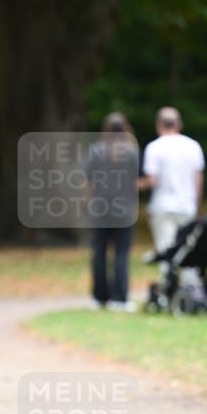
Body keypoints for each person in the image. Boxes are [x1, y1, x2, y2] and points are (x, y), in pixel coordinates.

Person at [86, 112, 139, 312]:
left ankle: (99, 297)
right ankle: (119, 298)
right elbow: (136, 181)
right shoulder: (131, 151)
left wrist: (91, 202)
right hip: (124, 210)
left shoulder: (95, 150)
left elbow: (87, 181)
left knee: (99, 253)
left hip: (100, 209)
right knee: (121, 253)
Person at [138, 107, 205, 256]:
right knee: (187, 252)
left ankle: (169, 271)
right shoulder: (193, 146)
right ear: (179, 124)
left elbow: (152, 180)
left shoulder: (154, 147)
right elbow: (198, 180)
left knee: (166, 252)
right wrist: (196, 204)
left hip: (162, 206)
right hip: (187, 206)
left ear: (159, 124)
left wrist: (132, 185)